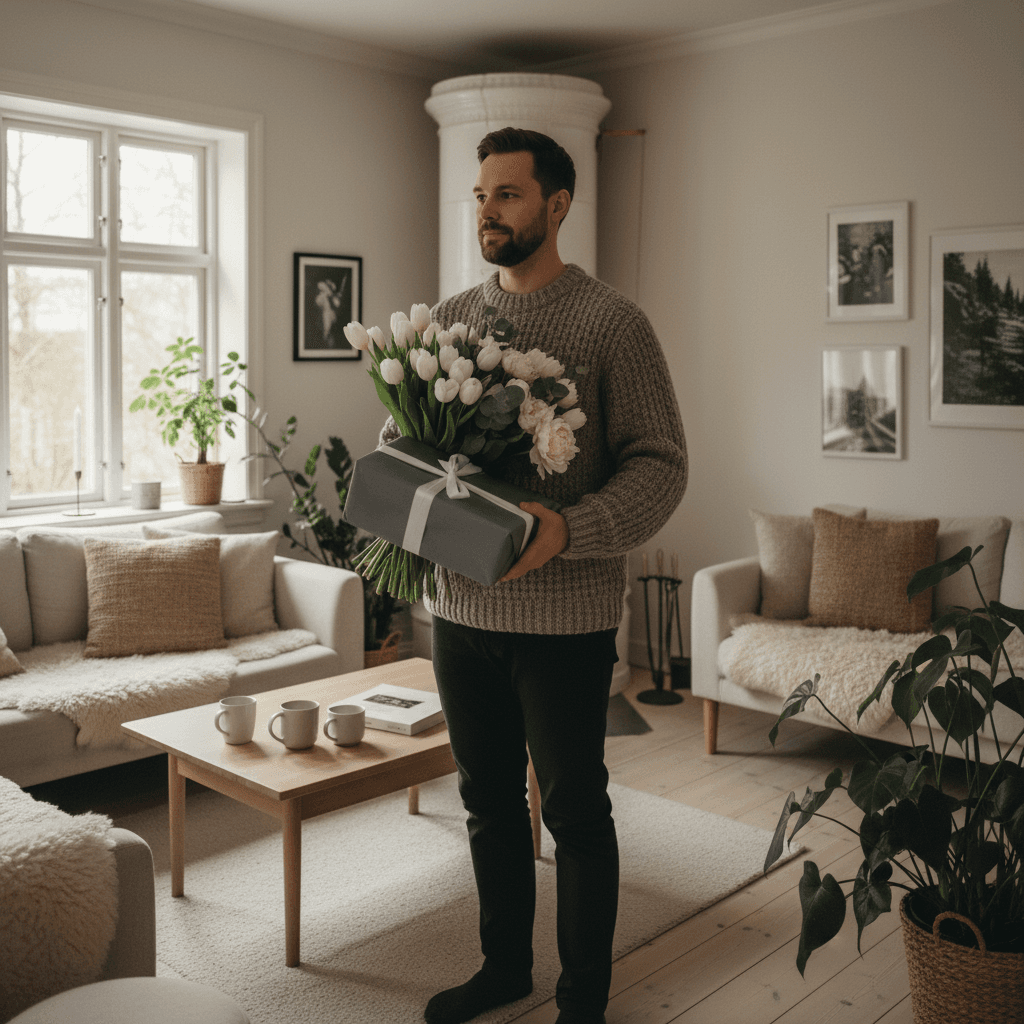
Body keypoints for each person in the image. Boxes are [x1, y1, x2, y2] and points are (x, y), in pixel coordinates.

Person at [384, 127, 687, 1024]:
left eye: (507, 194)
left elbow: (662, 465)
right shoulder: (447, 319)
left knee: (575, 814)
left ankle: (583, 1000)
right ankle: (503, 968)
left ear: (557, 205)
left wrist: (574, 528)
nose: (487, 210)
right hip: (460, 610)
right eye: (480, 195)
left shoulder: (613, 324)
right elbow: (411, 448)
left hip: (565, 619)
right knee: (485, 804)